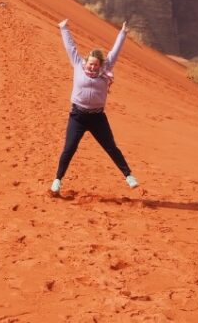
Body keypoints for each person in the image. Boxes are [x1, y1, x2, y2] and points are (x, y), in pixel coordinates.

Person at [50, 18, 139, 195]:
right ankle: (57, 181)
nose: (92, 67)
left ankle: (128, 176)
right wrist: (64, 28)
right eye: (90, 64)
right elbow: (71, 47)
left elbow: (115, 52)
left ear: (100, 65)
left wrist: (123, 33)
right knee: (69, 148)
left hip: (97, 117)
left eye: (95, 65)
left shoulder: (105, 70)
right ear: (86, 62)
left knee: (111, 147)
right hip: (78, 116)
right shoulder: (77, 65)